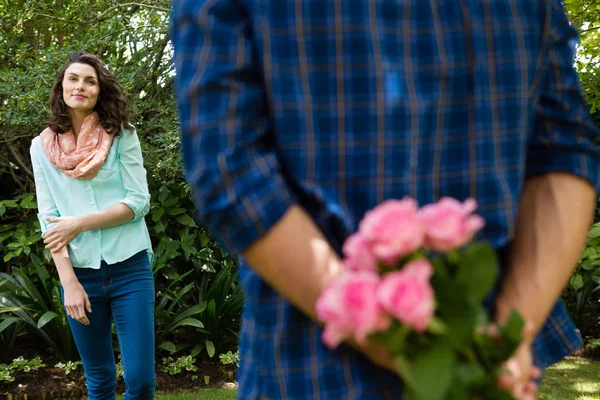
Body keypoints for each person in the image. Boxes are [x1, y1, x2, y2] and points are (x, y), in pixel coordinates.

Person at [171, 1, 599, 399]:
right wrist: (500, 340)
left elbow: (228, 168)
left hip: (314, 370)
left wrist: (491, 343)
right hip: (477, 369)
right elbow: (564, 146)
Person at [29, 52, 155, 400]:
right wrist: (68, 283)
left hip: (130, 268)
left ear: (100, 91)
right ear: (62, 86)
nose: (80, 86)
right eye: (73, 78)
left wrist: (79, 223)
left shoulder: (122, 135)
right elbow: (48, 217)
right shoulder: (41, 147)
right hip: (79, 274)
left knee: (141, 381)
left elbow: (138, 201)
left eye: (90, 81)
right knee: (99, 381)